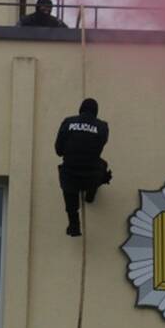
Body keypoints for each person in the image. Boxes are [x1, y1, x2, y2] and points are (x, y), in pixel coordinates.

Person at [55, 98, 112, 237]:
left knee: (69, 192)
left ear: (80, 109)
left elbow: (58, 150)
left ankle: (74, 225)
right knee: (102, 167)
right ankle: (90, 194)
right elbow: (100, 146)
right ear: (96, 112)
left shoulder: (68, 122)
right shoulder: (102, 126)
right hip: (91, 174)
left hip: (70, 174)